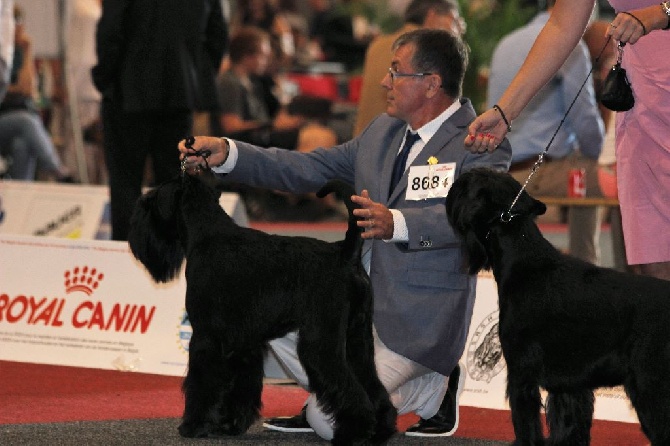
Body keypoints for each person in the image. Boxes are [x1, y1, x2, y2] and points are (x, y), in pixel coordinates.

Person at [180, 28, 512, 439]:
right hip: (346, 295)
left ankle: (432, 389)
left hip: (414, 324)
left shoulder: (480, 143)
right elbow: (306, 168)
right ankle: (339, 386)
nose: (383, 82)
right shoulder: (381, 132)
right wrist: (229, 153)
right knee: (252, 314)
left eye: (395, 72)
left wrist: (400, 223)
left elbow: (482, 220)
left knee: (327, 422)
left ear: (431, 84)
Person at [465, 0, 670, 281]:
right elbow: (562, 26)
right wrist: (505, 112)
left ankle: (588, 272)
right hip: (642, 107)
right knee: (652, 264)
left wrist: (661, 12)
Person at [92, 0, 228, 241]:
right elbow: (217, 32)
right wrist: (196, 74)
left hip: (128, 91)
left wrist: (106, 79)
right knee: (175, 180)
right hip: (180, 90)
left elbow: (110, 30)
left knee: (125, 183)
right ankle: (170, 256)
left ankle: (126, 255)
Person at [487, 0, 605, 265]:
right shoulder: (571, 45)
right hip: (540, 169)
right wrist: (600, 157)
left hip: (504, 168)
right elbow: (586, 123)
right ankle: (587, 265)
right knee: (615, 180)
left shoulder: (505, 43)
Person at [353, 0, 465, 136]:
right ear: (432, 15)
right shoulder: (427, 53)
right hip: (393, 149)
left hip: (362, 143)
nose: (460, 29)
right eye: (454, 21)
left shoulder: (377, 45)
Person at [0, 5, 72, 182]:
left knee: (22, 145)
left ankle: (20, 195)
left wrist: (27, 50)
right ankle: (58, 170)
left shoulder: (19, 52)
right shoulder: (2, 57)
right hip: (6, 118)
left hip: (19, 120)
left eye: (19, 21)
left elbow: (28, 88)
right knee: (26, 121)